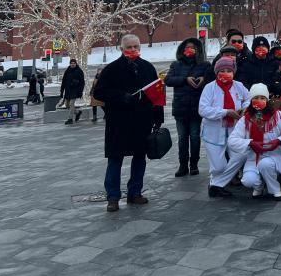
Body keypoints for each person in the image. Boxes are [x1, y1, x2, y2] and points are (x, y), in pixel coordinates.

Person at [93, 34, 163, 212]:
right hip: (119, 121)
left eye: (136, 46)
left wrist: (157, 117)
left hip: (142, 120)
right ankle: (113, 197)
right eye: (129, 47)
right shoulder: (112, 69)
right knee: (115, 158)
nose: (133, 50)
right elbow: (99, 93)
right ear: (121, 48)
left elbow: (156, 94)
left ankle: (135, 192)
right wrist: (121, 97)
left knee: (140, 157)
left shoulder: (147, 67)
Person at [227, 83, 281, 200]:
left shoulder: (277, 116)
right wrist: (250, 143)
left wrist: (279, 140)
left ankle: (275, 189)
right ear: (251, 100)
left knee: (265, 164)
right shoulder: (246, 119)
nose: (259, 101)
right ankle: (258, 186)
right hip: (253, 157)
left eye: (262, 98)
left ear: (267, 100)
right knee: (247, 180)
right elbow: (232, 140)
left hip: (273, 155)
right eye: (255, 98)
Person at [200, 57, 252, 197]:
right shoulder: (209, 88)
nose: (225, 73)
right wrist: (225, 112)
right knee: (219, 166)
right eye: (222, 71)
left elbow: (248, 99)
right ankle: (216, 183)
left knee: (241, 155)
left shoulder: (238, 86)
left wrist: (245, 108)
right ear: (216, 72)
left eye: (229, 70)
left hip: (234, 131)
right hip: (214, 132)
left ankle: (216, 185)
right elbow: (203, 109)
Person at [166, 38, 211, 177]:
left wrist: (204, 79)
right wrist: (185, 79)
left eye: (193, 48)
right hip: (180, 107)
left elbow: (213, 79)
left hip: (196, 107)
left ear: (198, 50)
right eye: (187, 47)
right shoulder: (176, 64)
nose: (189, 50)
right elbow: (168, 80)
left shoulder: (204, 65)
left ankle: (194, 165)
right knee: (182, 138)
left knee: (195, 137)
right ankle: (182, 165)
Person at [61, 59, 86, 125]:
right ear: (70, 64)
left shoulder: (79, 71)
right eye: (71, 63)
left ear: (76, 64)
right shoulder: (67, 70)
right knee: (67, 105)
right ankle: (77, 112)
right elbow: (64, 81)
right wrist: (61, 91)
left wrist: (80, 91)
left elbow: (82, 82)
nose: (72, 64)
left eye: (74, 63)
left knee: (72, 104)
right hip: (68, 90)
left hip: (75, 90)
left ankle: (70, 119)